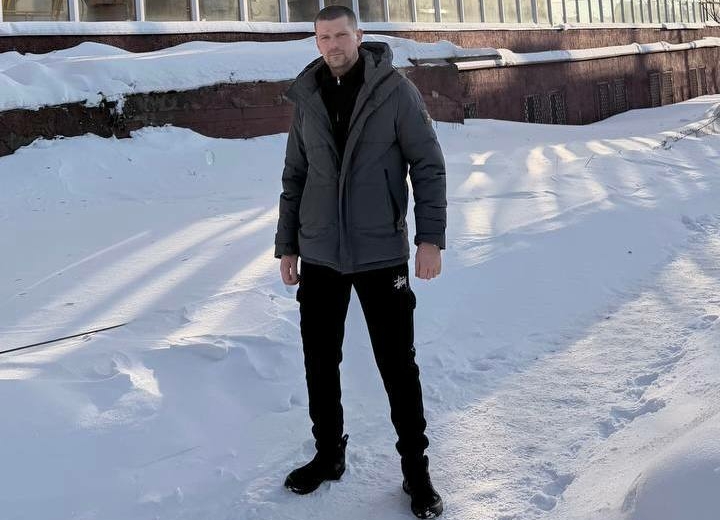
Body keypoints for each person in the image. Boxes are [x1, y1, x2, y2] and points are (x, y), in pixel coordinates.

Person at [274, 5, 446, 518]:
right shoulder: (308, 97)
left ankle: (416, 470)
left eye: (341, 35)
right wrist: (288, 245)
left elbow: (428, 164)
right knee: (319, 360)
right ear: (316, 41)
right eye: (323, 37)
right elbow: (294, 175)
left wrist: (430, 239)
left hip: (380, 252)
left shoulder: (395, 91)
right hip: (320, 253)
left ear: (359, 35)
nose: (333, 45)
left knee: (397, 365)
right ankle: (328, 454)